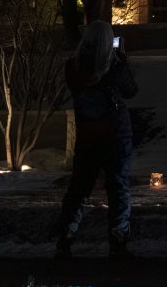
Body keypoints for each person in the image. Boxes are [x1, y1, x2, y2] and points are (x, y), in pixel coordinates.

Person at [55, 21, 138, 259]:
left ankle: (65, 237)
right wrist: (123, 61)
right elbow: (132, 90)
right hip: (115, 134)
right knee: (118, 187)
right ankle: (118, 240)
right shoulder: (113, 66)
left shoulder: (73, 67)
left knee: (79, 187)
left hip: (88, 133)